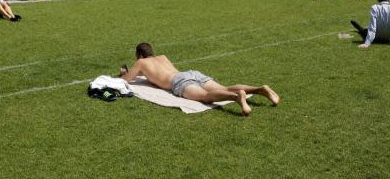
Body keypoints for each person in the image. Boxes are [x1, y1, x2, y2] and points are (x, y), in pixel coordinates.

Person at [119, 42, 280, 116]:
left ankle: (237, 96)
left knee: (205, 97)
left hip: (179, 82)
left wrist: (122, 73)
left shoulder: (141, 62)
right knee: (223, 88)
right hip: (191, 73)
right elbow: (152, 73)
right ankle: (260, 89)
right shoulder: (162, 57)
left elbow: (126, 79)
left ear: (139, 55)